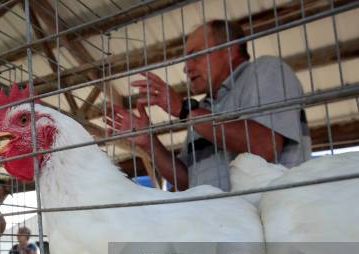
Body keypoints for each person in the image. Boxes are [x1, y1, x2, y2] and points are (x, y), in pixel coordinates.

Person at [107, 19, 311, 191]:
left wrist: (185, 110)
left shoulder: (265, 71)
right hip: (219, 230)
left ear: (229, 50)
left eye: (195, 56)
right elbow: (187, 181)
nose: (187, 68)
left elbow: (264, 147)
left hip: (267, 228)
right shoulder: (203, 108)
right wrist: (148, 141)